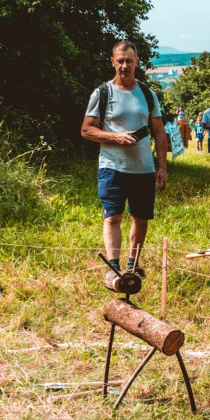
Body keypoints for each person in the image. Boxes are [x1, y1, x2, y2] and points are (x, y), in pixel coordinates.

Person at [81, 40, 167, 279]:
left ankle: (132, 265)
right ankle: (114, 267)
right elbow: (86, 130)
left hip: (143, 168)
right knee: (113, 216)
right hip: (112, 166)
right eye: (120, 60)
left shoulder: (148, 95)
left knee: (140, 218)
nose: (124, 65)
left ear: (137, 62)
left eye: (129, 61)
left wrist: (162, 168)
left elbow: (159, 132)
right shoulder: (102, 93)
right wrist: (115, 137)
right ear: (112, 62)